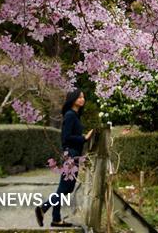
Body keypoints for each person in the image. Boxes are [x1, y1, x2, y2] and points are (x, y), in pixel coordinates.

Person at [34, 88, 93, 228]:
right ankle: (43, 208)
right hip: (71, 155)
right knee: (65, 188)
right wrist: (84, 138)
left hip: (74, 155)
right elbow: (66, 138)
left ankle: (56, 219)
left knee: (65, 188)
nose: (82, 99)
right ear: (73, 99)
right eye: (79, 97)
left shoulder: (75, 116)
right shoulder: (70, 115)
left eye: (83, 97)